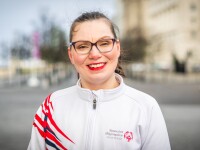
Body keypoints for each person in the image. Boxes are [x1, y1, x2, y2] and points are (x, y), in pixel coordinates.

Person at [28, 11, 171, 150]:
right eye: (83, 46)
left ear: (117, 48)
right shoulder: (51, 107)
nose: (95, 54)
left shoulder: (146, 107)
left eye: (104, 43)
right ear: (71, 55)